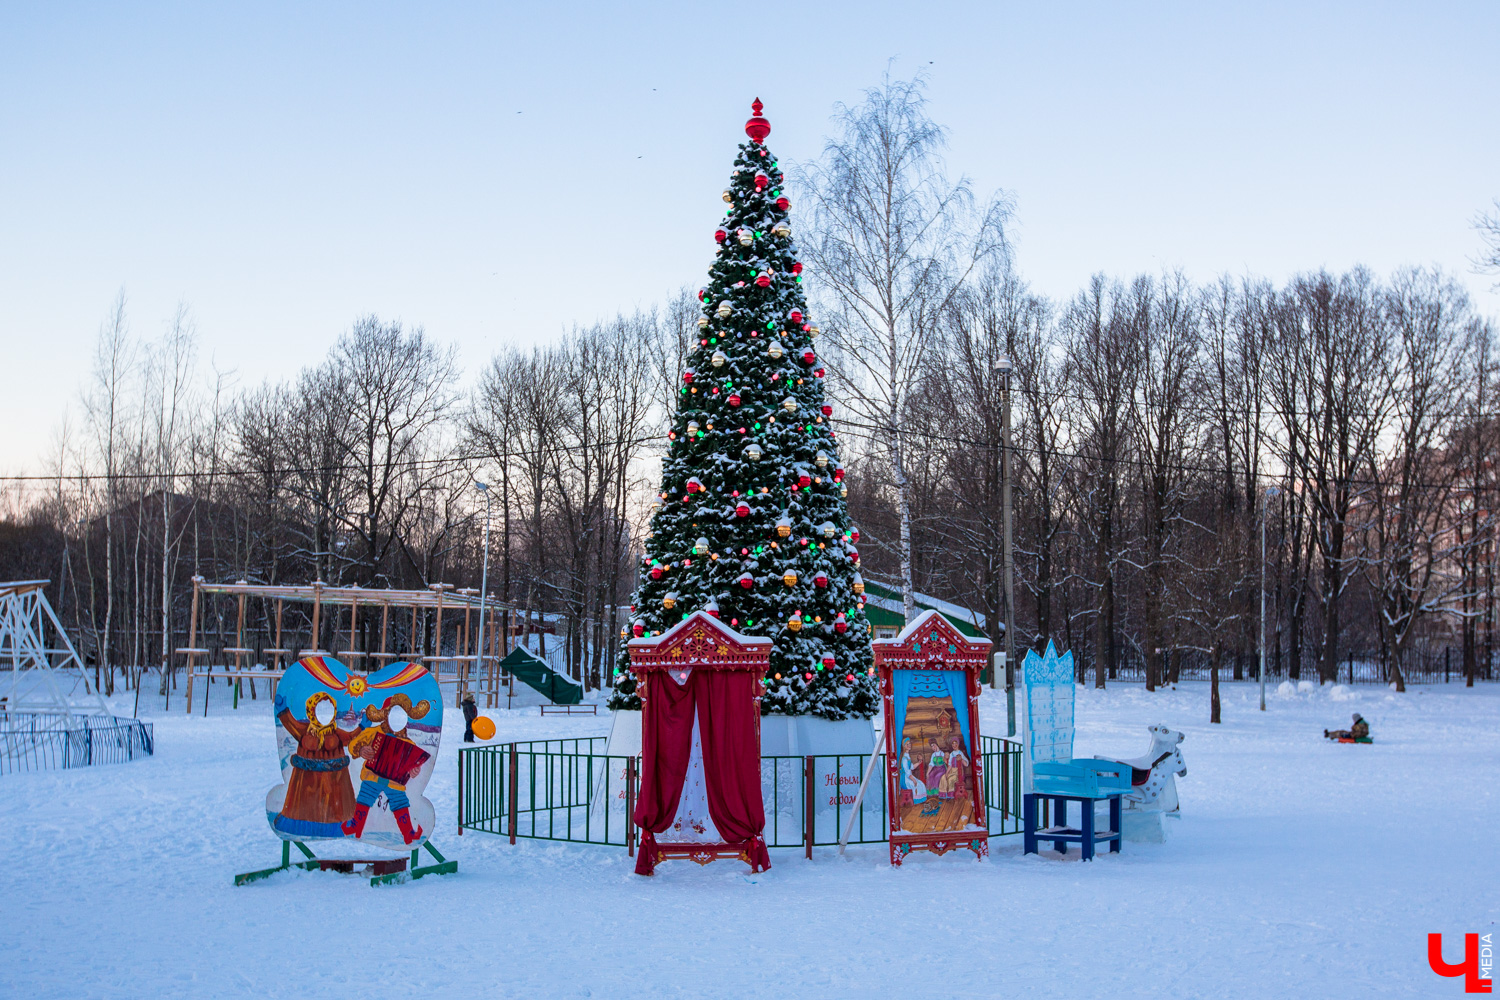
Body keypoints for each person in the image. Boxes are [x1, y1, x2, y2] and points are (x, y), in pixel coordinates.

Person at [345, 693, 432, 844]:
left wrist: (414, 771)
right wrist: (361, 750)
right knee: (364, 800)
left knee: (400, 804)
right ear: (386, 715)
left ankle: (408, 833)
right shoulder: (374, 733)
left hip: (395, 782)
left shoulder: (408, 743)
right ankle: (355, 827)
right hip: (372, 776)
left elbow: (413, 766)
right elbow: (353, 744)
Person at [273, 690, 359, 838]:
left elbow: (351, 737)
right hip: (306, 784)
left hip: (333, 784)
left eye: (329, 710)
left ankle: (337, 827)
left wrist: (362, 727)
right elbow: (290, 724)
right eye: (319, 710)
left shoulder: (336, 733)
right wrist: (283, 711)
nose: (324, 715)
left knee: (334, 810)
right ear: (312, 712)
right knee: (306, 809)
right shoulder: (304, 731)